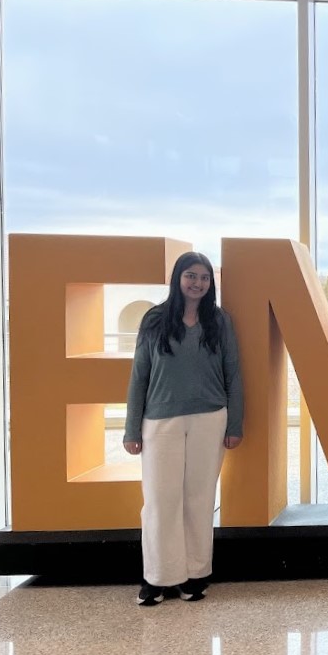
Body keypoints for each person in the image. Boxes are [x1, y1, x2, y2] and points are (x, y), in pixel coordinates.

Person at [124, 251, 244, 606]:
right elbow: (138, 376)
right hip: (160, 421)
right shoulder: (155, 319)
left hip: (210, 419)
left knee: (199, 499)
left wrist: (234, 423)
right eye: (191, 276)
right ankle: (158, 578)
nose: (197, 283)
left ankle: (194, 575)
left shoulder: (220, 321)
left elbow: (233, 373)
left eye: (204, 278)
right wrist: (132, 429)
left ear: (211, 284)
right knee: (160, 501)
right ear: (178, 279)